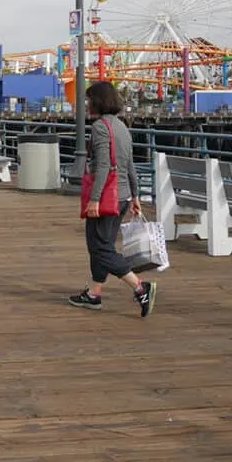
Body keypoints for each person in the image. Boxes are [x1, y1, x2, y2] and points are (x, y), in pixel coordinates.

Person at [69, 81, 157, 318]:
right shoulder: (122, 126)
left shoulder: (100, 127)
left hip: (108, 197)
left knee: (101, 248)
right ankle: (94, 293)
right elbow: (129, 165)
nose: (86, 104)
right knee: (98, 245)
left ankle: (140, 287)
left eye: (89, 99)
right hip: (123, 195)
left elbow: (105, 166)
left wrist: (94, 199)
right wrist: (136, 195)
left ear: (98, 101)